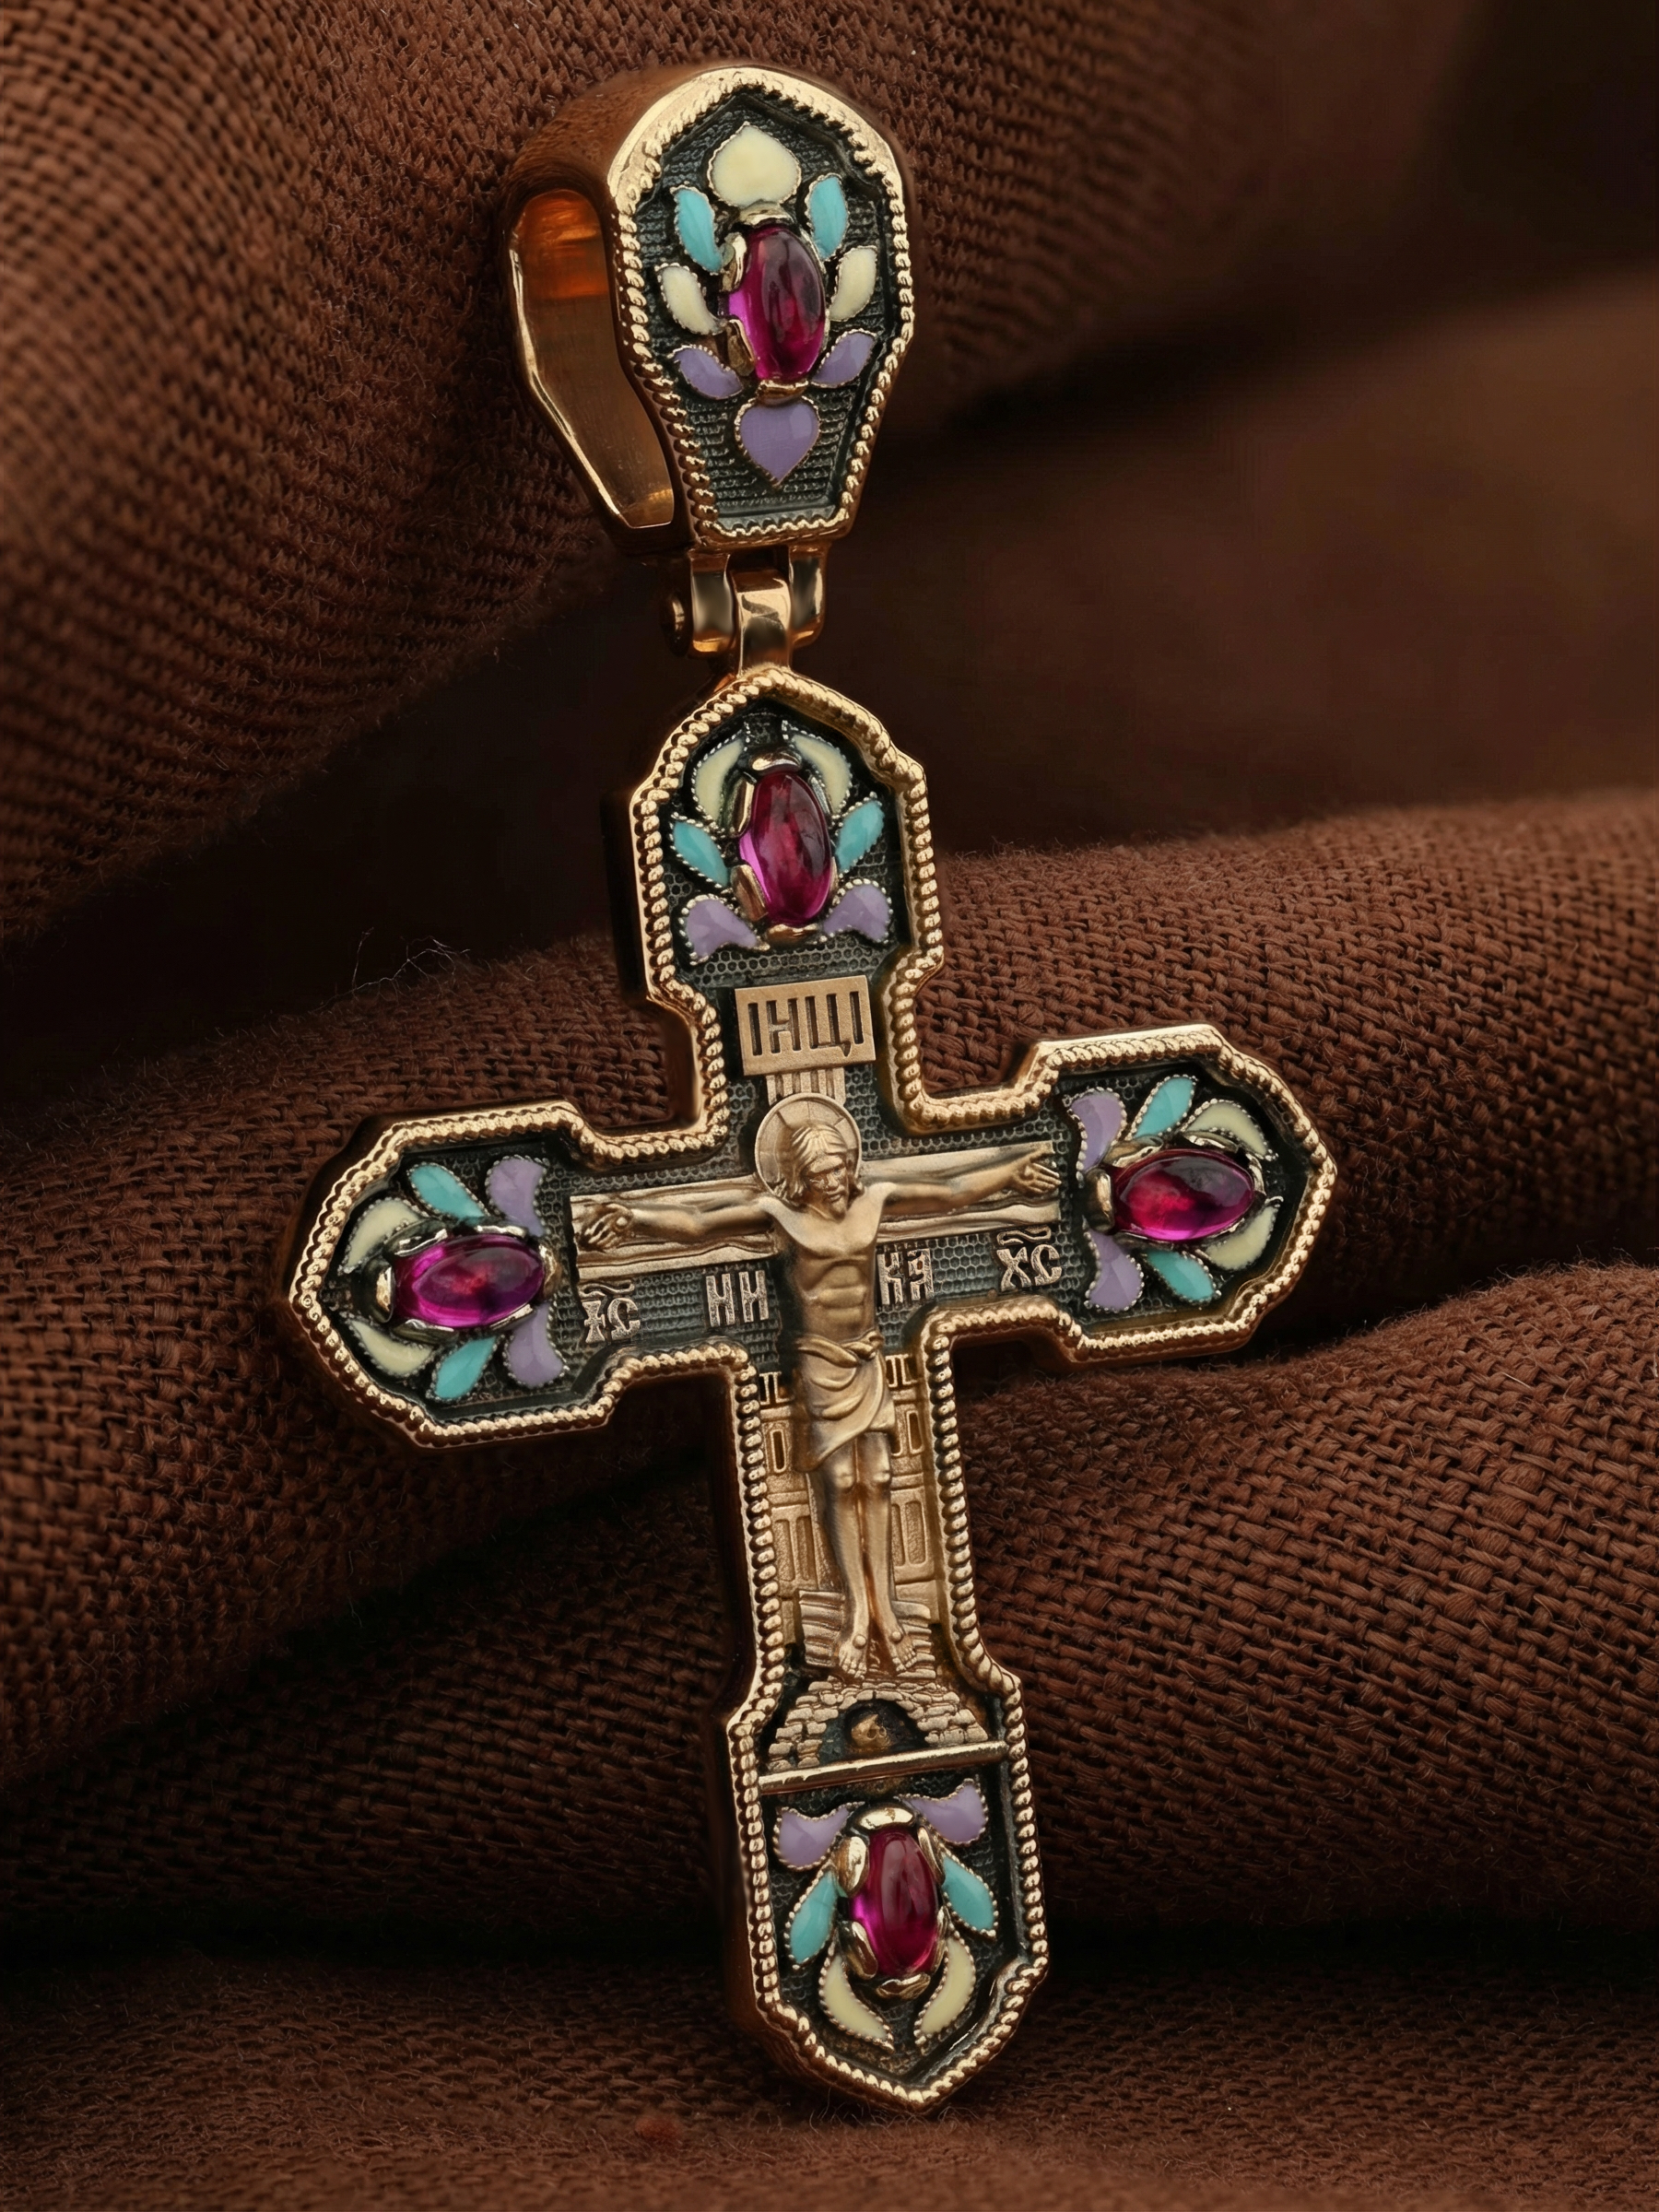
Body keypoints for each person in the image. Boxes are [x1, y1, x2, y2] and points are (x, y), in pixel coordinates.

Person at [580, 1100, 1059, 1677]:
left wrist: (1009, 1173)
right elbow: (701, 1223)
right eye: (819, 1174)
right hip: (819, 1361)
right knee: (839, 1480)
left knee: (879, 1477)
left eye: (838, 1169)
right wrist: (634, 1216)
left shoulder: (874, 1199)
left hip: (867, 1356)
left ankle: (887, 1609)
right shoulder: (780, 1216)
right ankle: (857, 1612)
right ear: (799, 1177)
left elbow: (951, 1190)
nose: (832, 1182)